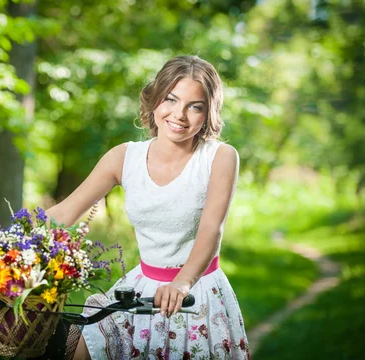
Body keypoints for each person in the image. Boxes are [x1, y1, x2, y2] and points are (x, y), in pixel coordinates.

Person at [46, 55, 250, 360]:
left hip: (197, 290)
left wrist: (182, 283)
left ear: (208, 114)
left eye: (195, 106)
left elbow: (211, 230)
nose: (179, 115)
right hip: (140, 288)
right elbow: (62, 214)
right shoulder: (124, 157)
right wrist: (0, 246)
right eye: (170, 99)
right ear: (155, 100)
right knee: (84, 348)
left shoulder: (219, 157)